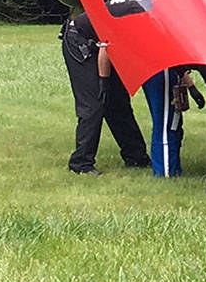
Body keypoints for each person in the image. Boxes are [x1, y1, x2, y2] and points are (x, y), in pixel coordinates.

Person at [62, 11, 150, 175]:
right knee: (94, 104)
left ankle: (136, 157)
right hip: (80, 41)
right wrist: (103, 81)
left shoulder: (147, 16)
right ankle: (81, 164)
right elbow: (106, 45)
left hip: (102, 43)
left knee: (118, 102)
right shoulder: (135, 17)